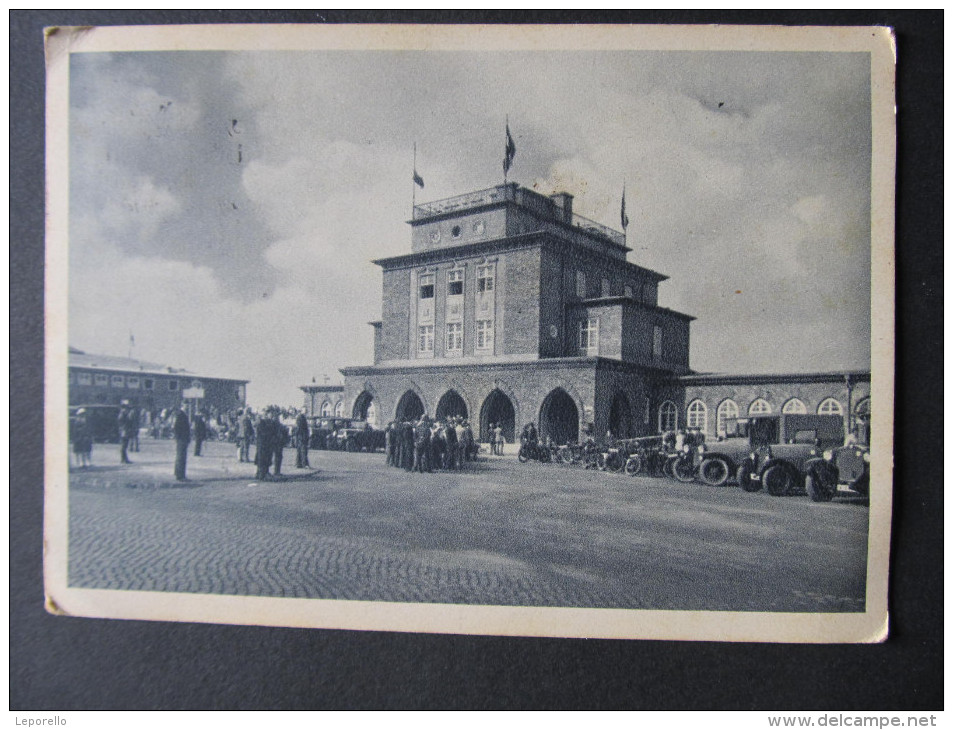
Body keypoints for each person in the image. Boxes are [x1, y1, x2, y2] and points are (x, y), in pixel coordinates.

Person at [172, 405, 190, 481]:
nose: (188, 407)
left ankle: (178, 473)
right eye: (186, 405)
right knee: (181, 457)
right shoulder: (181, 415)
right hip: (182, 438)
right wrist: (178, 437)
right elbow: (177, 428)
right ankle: (180, 475)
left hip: (182, 438)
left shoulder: (182, 415)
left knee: (180, 456)